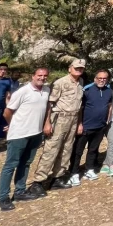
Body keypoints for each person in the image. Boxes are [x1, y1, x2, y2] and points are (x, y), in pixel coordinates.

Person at [0, 68, 50, 211]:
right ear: (33, 76)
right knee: (10, 165)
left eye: (45, 76)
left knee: (26, 163)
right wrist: (12, 125)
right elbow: (7, 112)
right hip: (19, 134)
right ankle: (3, 197)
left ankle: (20, 191)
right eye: (39, 75)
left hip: (36, 133)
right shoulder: (22, 92)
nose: (42, 78)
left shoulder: (46, 90)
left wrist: (46, 124)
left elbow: (47, 108)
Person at [31, 59, 85, 191]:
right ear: (69, 68)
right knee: (51, 149)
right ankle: (38, 181)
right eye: (76, 68)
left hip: (73, 118)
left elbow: (79, 106)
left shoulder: (81, 82)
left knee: (66, 149)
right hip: (60, 118)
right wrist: (47, 122)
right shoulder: (60, 83)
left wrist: (79, 123)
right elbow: (50, 103)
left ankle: (58, 178)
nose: (79, 70)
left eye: (81, 68)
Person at [67, 69, 113, 186]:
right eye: (99, 78)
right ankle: (74, 173)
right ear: (95, 79)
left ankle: (89, 169)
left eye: (104, 78)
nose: (102, 80)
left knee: (93, 149)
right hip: (86, 126)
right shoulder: (86, 91)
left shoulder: (109, 91)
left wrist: (107, 120)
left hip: (100, 126)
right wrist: (79, 124)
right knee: (78, 151)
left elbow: (109, 105)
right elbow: (79, 109)